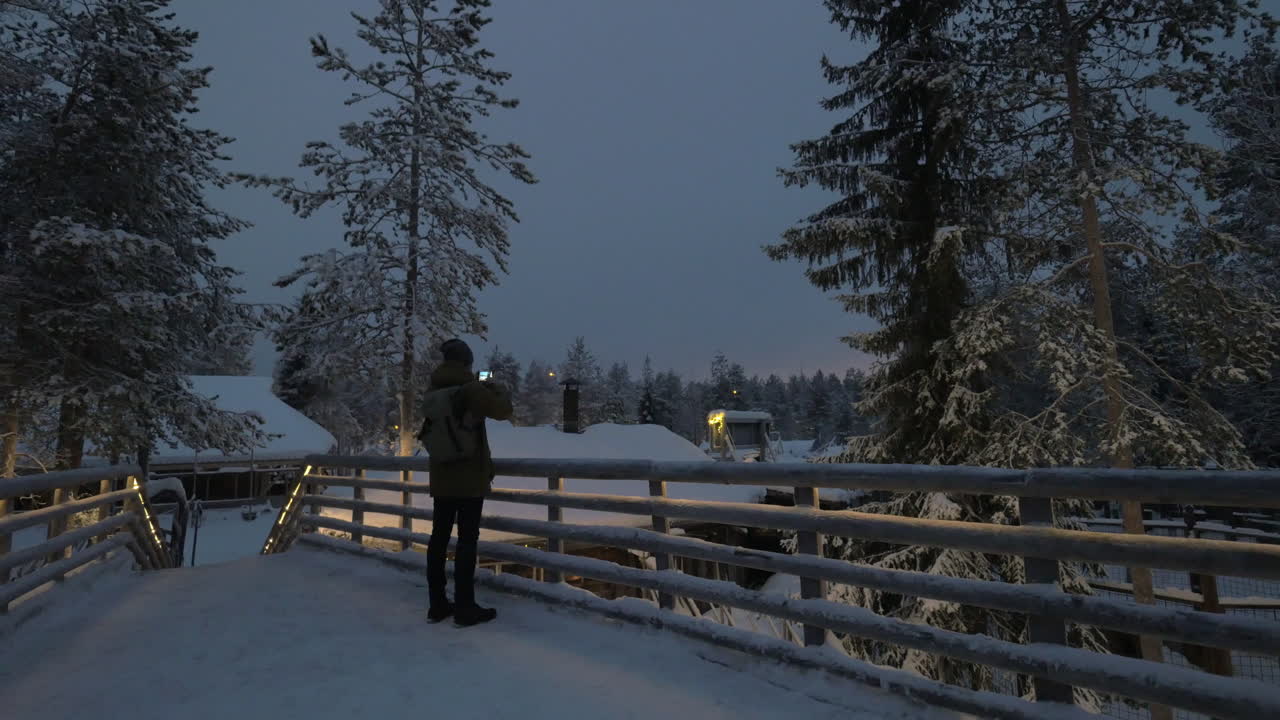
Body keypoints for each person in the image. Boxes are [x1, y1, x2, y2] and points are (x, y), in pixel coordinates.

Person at [421, 338, 513, 627]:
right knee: (466, 541)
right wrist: (496, 388)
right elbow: (504, 411)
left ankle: (437, 604)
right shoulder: (471, 389)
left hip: (441, 476)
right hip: (469, 477)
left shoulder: (433, 390)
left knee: (438, 538)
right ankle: (465, 607)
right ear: (466, 363)